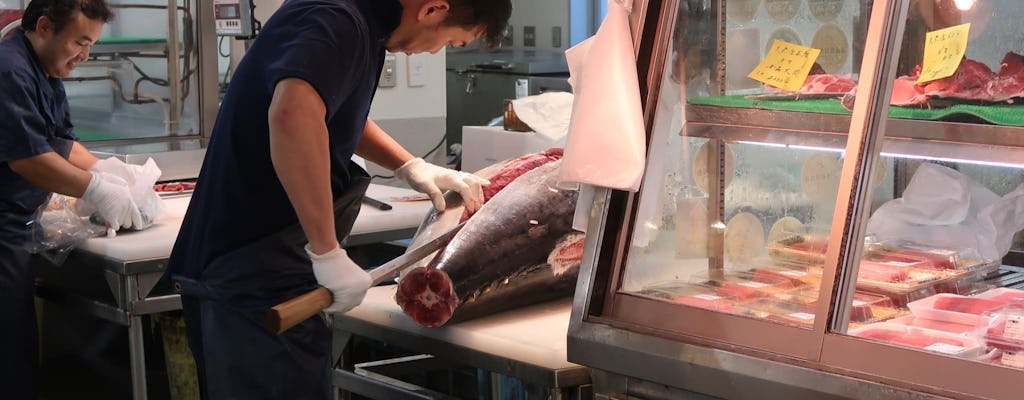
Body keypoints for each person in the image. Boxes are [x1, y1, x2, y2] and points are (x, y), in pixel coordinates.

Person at [166, 0, 511, 397]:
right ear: (433, 10)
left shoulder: (366, 24)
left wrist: (409, 165)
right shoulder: (338, 19)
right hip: (251, 269)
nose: (436, 52)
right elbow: (293, 115)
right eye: (451, 40)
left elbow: (328, 105)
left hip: (261, 264)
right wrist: (327, 251)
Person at [0, 0, 141, 398]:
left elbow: (59, 142)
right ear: (45, 27)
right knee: (8, 351)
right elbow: (28, 157)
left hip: (17, 226)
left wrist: (109, 171)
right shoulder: (9, 71)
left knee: (19, 344)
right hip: (2, 228)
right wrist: (94, 189)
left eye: (92, 45)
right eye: (80, 42)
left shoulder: (44, 69)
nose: (85, 55)